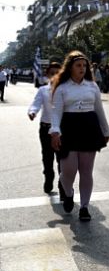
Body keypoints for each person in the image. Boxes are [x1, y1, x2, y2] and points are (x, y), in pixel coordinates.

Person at [50, 51, 109, 221]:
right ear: (70, 68)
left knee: (86, 170)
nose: (82, 68)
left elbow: (99, 110)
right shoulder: (62, 88)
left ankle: (84, 207)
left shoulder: (92, 86)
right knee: (68, 170)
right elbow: (56, 112)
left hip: (88, 128)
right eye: (78, 65)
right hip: (68, 128)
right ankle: (68, 193)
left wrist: (106, 131)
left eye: (84, 65)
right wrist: (55, 131)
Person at [28, 62, 63, 195]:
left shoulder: (66, 90)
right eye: (51, 73)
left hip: (61, 130)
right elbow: (36, 104)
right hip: (45, 128)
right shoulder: (43, 90)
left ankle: (63, 183)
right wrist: (33, 112)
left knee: (62, 158)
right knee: (47, 157)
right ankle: (49, 177)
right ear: (47, 75)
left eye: (57, 73)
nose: (54, 75)